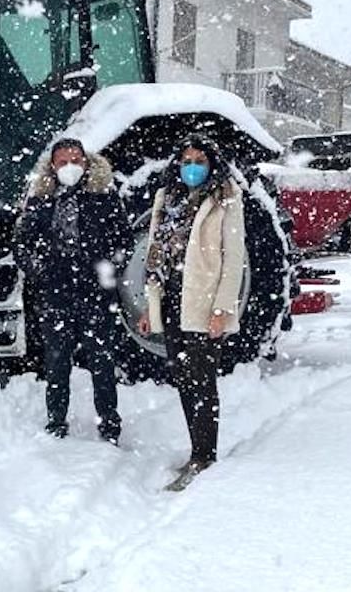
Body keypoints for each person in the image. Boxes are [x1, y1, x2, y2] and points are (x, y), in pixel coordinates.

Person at [138, 134, 247, 491]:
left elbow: (233, 259)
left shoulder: (225, 198)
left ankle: (205, 453)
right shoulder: (165, 198)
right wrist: (149, 305)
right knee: (184, 379)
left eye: (200, 161)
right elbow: (155, 254)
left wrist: (222, 308)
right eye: (186, 161)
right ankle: (195, 450)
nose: (192, 167)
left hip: (202, 303)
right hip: (171, 300)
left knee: (202, 379)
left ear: (212, 165)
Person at [14, 137, 133, 443]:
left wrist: (108, 271)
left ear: (86, 162)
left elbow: (124, 242)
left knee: (102, 363)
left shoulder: (104, 197)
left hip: (96, 295)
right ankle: (56, 422)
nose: (70, 167)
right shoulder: (41, 200)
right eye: (63, 162)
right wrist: (40, 271)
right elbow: (22, 243)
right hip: (56, 295)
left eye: (76, 160)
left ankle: (109, 425)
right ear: (52, 166)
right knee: (56, 363)